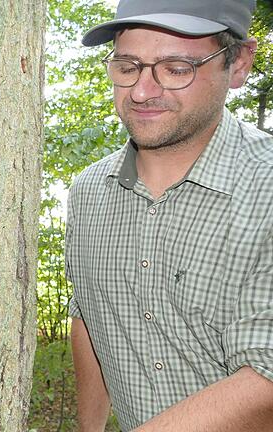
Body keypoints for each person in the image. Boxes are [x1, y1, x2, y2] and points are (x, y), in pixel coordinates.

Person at [66, 0, 273, 430]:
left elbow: (266, 379)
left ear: (238, 64)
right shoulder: (88, 193)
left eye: (176, 68)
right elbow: (89, 317)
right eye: (127, 66)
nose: (141, 92)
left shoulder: (265, 188)